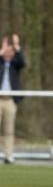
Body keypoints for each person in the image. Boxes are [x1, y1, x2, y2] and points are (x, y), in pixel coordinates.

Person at [0, 34, 25, 164]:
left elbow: (23, 62)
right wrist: (1, 51)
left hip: (10, 100)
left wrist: (16, 46)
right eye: (7, 50)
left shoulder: (15, 65)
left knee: (9, 130)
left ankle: (8, 155)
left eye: (11, 51)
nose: (8, 53)